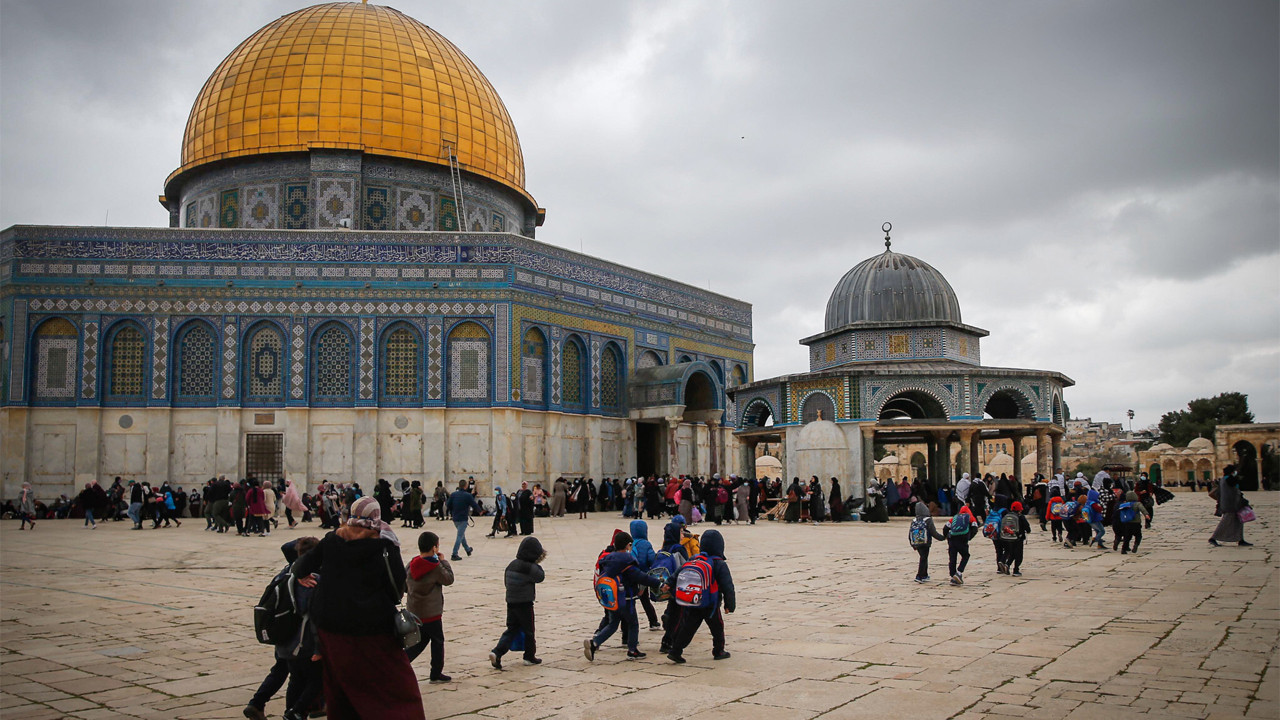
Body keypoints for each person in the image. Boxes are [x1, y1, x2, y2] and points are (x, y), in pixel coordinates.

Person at [290, 498, 425, 720]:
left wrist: (304, 577)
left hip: (330, 628)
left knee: (340, 685)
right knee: (395, 686)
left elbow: (301, 566)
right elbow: (396, 589)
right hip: (371, 629)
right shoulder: (384, 545)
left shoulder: (333, 538)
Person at [244, 536, 321, 720]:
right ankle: (295, 711)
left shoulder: (288, 572)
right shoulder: (311, 579)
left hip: (284, 637)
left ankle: (265, 705)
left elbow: (287, 546)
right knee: (314, 677)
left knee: (291, 675)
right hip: (303, 641)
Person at [585, 530, 665, 661]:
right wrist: (658, 583)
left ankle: (594, 643)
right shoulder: (627, 561)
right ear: (628, 545)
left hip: (612, 598)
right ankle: (632, 650)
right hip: (626, 597)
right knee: (633, 623)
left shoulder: (608, 559)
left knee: (613, 624)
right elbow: (640, 577)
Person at [667, 528, 735, 663]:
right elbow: (728, 586)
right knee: (717, 628)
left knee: (688, 627)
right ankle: (719, 650)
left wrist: (669, 583)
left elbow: (679, 572)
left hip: (693, 601)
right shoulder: (719, 563)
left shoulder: (694, 559)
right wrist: (730, 605)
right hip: (711, 604)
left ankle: (675, 650)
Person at [489, 536, 546, 669]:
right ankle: (529, 656)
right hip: (525, 603)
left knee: (512, 629)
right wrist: (536, 564)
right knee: (529, 631)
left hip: (511, 602)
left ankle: (497, 652)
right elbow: (540, 577)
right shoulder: (529, 567)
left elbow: (506, 582)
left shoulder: (512, 564)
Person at [406, 531, 454, 683]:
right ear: (434, 548)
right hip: (432, 613)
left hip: (414, 611)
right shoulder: (434, 566)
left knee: (419, 642)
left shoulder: (412, 563)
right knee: (437, 641)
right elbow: (449, 579)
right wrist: (443, 562)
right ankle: (435, 673)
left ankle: (402, 662)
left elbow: (405, 585)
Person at [628, 519, 661, 630]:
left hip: (631, 576)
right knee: (645, 600)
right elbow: (651, 560)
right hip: (643, 576)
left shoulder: (630, 543)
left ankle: (628, 624)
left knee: (630, 600)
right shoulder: (646, 544)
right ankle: (653, 622)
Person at [1209, 465, 1252, 547]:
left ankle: (1240, 539)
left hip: (1232, 504)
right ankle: (1213, 538)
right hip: (1231, 505)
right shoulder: (1229, 479)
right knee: (1225, 522)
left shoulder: (1223, 479)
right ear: (1232, 472)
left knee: (1239, 521)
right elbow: (1235, 489)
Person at [910, 501, 946, 583]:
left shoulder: (914, 520)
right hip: (926, 542)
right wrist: (943, 538)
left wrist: (912, 544)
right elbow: (933, 532)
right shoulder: (928, 520)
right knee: (923, 558)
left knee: (923, 557)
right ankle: (919, 576)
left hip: (916, 542)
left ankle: (924, 575)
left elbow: (910, 533)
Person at [446, 481, 482, 560]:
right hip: (463, 518)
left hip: (455, 518)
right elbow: (474, 504)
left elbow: (448, 505)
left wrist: (453, 511)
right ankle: (454, 554)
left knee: (461, 534)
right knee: (459, 536)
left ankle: (467, 549)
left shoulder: (453, 494)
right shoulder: (468, 495)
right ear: (466, 486)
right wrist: (480, 511)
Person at [944, 505, 977, 585]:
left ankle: (952, 577)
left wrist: (947, 537)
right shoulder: (971, 518)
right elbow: (975, 529)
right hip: (962, 540)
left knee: (952, 558)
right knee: (966, 556)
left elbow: (945, 528)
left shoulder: (954, 517)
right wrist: (969, 537)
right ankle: (959, 572)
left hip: (952, 539)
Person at [1001, 502, 1031, 576]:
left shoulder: (1007, 515)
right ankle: (1016, 570)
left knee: (1012, 553)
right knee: (1019, 554)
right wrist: (1027, 531)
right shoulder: (1021, 517)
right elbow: (1027, 528)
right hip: (1018, 537)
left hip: (1008, 537)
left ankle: (1007, 564)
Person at [1116, 490, 1150, 554]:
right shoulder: (1138, 504)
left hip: (1127, 523)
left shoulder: (1124, 504)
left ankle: (1123, 549)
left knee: (1127, 537)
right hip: (1136, 523)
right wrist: (1146, 514)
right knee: (1138, 535)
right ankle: (1136, 544)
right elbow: (1142, 509)